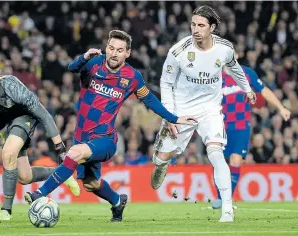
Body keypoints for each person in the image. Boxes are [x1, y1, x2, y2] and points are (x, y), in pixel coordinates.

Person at [24, 30, 196, 222]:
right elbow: (72, 67)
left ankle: (39, 194)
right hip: (82, 135)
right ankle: (117, 201)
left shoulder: (132, 77)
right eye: (111, 48)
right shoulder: (93, 63)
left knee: (74, 153)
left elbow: (150, 100)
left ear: (127, 53)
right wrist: (83, 57)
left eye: (120, 50)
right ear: (106, 47)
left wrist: (173, 118)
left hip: (104, 138)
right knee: (91, 184)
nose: (114, 53)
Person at [150, 5, 256, 223]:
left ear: (212, 28)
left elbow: (235, 68)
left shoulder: (225, 48)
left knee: (216, 153)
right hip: (181, 110)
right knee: (161, 157)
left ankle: (227, 209)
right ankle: (162, 164)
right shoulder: (178, 51)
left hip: (210, 109)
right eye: (193, 24)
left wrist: (247, 89)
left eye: (200, 25)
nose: (195, 29)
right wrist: (170, 116)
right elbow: (166, 82)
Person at [0, 62, 80, 221]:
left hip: (24, 118)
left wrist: (60, 148)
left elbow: (44, 115)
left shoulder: (13, 87)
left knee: (8, 153)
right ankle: (62, 175)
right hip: (3, 128)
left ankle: (6, 210)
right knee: (24, 177)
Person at [211, 58, 291, 209]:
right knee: (218, 162)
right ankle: (220, 196)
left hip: (241, 126)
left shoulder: (246, 73)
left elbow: (264, 90)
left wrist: (281, 107)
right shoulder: (213, 78)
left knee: (235, 160)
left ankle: (225, 200)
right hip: (220, 127)